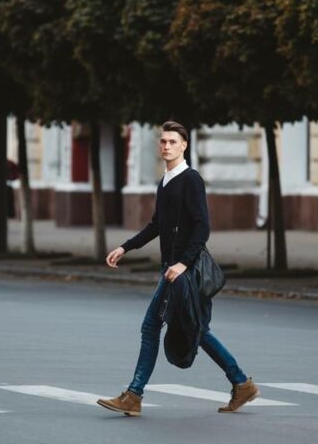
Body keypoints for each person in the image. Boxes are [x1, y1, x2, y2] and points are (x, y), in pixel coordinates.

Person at [97, 121, 258, 417]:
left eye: (172, 141)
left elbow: (202, 227)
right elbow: (157, 225)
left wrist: (182, 264)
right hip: (172, 270)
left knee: (150, 327)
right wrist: (125, 247)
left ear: (184, 145)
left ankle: (134, 395)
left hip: (183, 272)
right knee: (199, 329)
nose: (166, 146)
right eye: (163, 141)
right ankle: (241, 382)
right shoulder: (166, 181)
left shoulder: (191, 179)